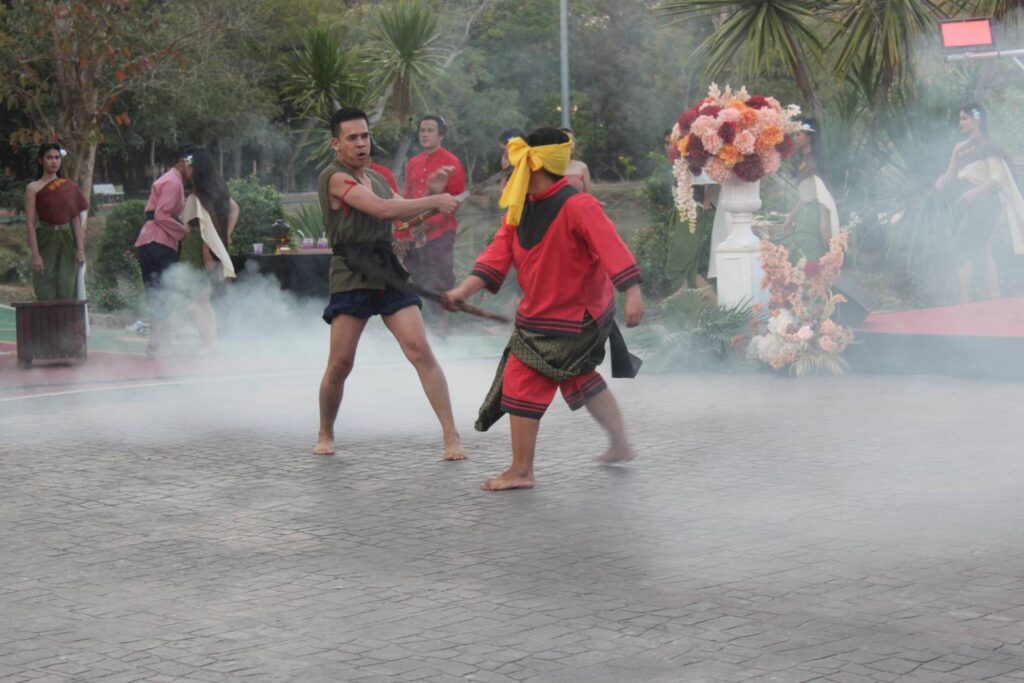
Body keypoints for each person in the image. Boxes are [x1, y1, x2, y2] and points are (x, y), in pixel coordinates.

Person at [446, 127, 644, 491]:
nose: (509, 169)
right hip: (545, 313)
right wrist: (462, 291)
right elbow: (498, 253)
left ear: (532, 164)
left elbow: (612, 247)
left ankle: (521, 471)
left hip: (577, 316)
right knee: (578, 376)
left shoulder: (579, 205)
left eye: (514, 163)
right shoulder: (521, 207)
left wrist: (632, 292)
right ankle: (620, 444)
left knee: (522, 376)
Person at [314, 106, 466, 461]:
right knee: (340, 363)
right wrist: (434, 199)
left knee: (419, 348)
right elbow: (382, 210)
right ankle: (325, 431)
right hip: (352, 270)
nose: (361, 143)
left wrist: (435, 200)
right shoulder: (333, 177)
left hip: (387, 267)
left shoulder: (377, 179)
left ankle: (451, 434)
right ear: (336, 144)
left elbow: (405, 218)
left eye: (365, 136)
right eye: (352, 138)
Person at [934, 103, 1024, 303]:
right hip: (965, 202)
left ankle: (965, 300)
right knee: (983, 248)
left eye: (965, 118)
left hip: (984, 203)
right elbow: (951, 176)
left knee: (960, 246)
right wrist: (942, 179)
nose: (960, 123)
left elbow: (997, 178)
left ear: (977, 119)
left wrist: (974, 192)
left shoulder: (988, 145)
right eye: (960, 119)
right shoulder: (959, 148)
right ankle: (994, 296)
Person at [401, 115, 466, 333]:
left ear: (441, 135)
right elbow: (408, 197)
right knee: (417, 277)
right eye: (422, 130)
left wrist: (428, 224)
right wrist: (403, 232)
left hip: (440, 232)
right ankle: (426, 324)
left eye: (430, 131)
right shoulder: (413, 163)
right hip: (414, 231)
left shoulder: (451, 162)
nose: (425, 134)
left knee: (441, 277)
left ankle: (443, 325)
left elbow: (455, 201)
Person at [179, 147, 239, 354]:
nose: (186, 168)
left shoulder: (198, 196)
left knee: (192, 302)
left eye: (189, 164)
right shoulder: (218, 189)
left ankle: (209, 341)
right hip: (206, 248)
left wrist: (206, 249)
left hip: (197, 249)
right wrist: (225, 236)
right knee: (202, 301)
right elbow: (234, 209)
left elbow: (204, 226)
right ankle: (210, 342)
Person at [134, 148, 194, 357]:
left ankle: (157, 343)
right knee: (162, 292)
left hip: (152, 240)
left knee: (157, 292)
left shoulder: (170, 179)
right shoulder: (173, 182)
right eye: (194, 167)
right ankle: (160, 343)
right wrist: (183, 231)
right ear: (185, 163)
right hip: (159, 241)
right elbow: (161, 215)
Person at [24, 144, 89, 301]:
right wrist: (35, 255)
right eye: (49, 158)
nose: (54, 161)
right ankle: (47, 317)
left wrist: (80, 251)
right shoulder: (33, 188)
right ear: (41, 160)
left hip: (67, 238)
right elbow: (30, 223)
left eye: (57, 157)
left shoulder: (68, 186)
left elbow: (75, 220)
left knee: (68, 284)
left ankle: (67, 318)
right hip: (46, 238)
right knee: (44, 284)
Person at [661, 129, 716, 300]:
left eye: (672, 142)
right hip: (681, 213)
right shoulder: (678, 162)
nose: (669, 146)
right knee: (689, 270)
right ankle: (717, 307)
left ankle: (686, 310)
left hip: (690, 214)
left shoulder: (692, 160)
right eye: (666, 143)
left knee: (677, 268)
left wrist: (706, 200)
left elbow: (717, 177)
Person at [782, 119, 839, 264]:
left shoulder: (814, 162)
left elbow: (823, 194)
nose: (795, 138)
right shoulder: (804, 159)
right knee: (803, 258)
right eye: (794, 135)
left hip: (814, 213)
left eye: (798, 134)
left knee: (813, 257)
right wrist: (792, 216)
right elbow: (805, 194)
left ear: (810, 137)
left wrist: (824, 224)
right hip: (804, 213)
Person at [558, 127, 593, 193]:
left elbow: (588, 195)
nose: (570, 143)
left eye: (572, 140)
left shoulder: (582, 167)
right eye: (565, 140)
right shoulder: (548, 168)